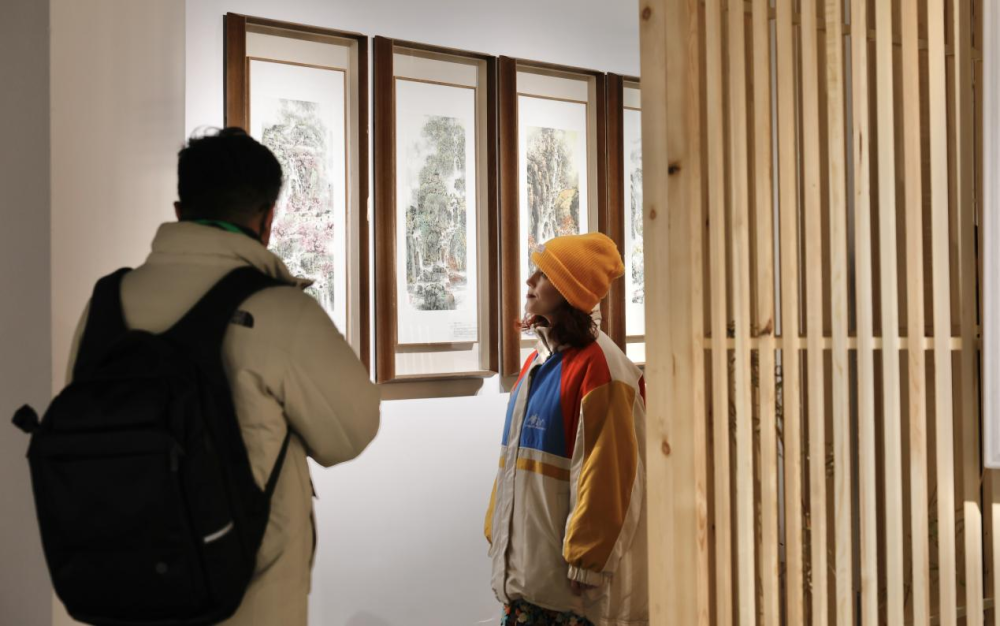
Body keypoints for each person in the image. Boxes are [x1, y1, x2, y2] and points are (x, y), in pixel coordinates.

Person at [63, 127, 381, 626]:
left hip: (123, 589)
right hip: (245, 599)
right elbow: (351, 433)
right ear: (268, 218)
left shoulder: (105, 305)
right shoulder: (278, 310)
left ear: (179, 210)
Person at [484, 233, 648, 626]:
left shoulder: (602, 368)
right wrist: (496, 525)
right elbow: (512, 460)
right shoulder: (537, 363)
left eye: (543, 274)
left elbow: (608, 476)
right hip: (528, 576)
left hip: (569, 592)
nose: (530, 281)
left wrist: (588, 560)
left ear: (569, 289)